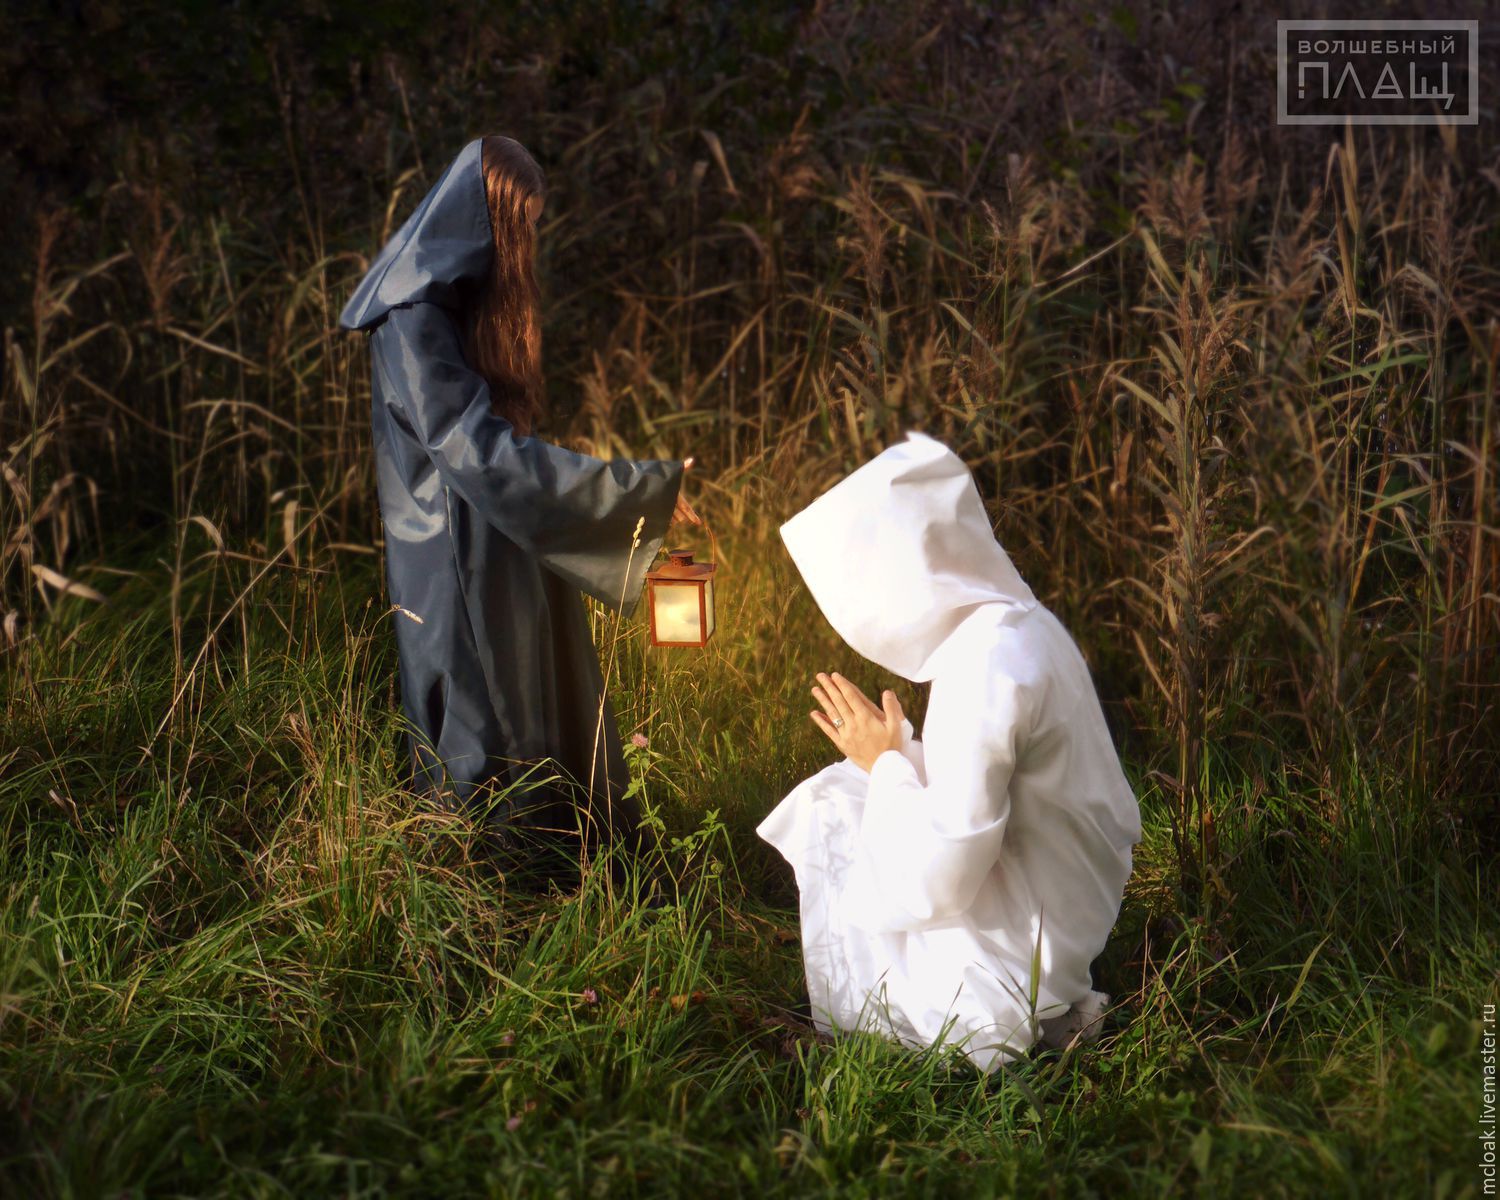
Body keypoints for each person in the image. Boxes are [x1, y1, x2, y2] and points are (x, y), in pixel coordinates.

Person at [339, 135, 699, 853]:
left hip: (493, 537)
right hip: (453, 557)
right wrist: (635, 492)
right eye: (522, 224)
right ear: (488, 219)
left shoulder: (445, 302)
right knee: (480, 720)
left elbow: (490, 446)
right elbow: (476, 452)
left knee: (534, 691)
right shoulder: (412, 318)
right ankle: (486, 885)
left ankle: (561, 860)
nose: (526, 243)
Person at [757, 431, 1141, 1070]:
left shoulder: (986, 663)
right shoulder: (1021, 623)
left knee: (837, 802)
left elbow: (941, 871)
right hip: (1072, 910)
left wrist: (884, 764)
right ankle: (1049, 997)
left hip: (1030, 940)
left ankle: (940, 1014)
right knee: (865, 781)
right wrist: (894, 759)